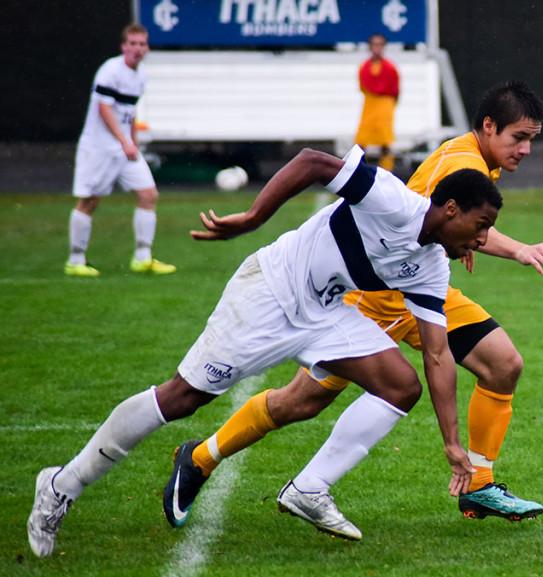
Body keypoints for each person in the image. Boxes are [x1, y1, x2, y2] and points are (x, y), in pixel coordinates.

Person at [27, 145, 503, 556]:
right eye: (481, 226)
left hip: (323, 313)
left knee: (401, 386)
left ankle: (310, 489)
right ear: (451, 208)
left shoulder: (431, 267)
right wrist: (253, 218)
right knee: (183, 398)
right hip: (270, 291)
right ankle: (61, 484)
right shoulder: (394, 202)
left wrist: (451, 443)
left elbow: (438, 355)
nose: (482, 240)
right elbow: (313, 162)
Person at [162, 81, 543, 532]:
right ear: (489, 127)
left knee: (503, 363)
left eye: (531, 140)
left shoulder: (477, 160)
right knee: (301, 401)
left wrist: (465, 243)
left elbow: (453, 224)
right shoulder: (463, 159)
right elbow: (438, 215)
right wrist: (518, 248)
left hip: (422, 292)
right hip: (377, 300)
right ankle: (199, 458)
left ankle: (478, 483)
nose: (525, 149)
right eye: (519, 138)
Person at [66, 23, 175, 277]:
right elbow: (104, 109)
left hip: (124, 148)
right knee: (89, 201)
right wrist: (123, 140)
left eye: (142, 44)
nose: (138, 49)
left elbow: (130, 110)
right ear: (124, 46)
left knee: (149, 194)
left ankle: (142, 258)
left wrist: (132, 140)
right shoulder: (110, 70)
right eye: (133, 44)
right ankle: (75, 260)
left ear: (147, 48)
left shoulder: (141, 75)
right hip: (99, 147)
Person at [354, 33, 400, 172]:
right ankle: (357, 171)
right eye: (374, 44)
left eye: (380, 44)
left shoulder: (390, 67)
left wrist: (388, 106)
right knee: (361, 142)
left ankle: (387, 172)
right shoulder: (364, 67)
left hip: (385, 106)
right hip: (369, 106)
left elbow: (395, 90)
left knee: (385, 143)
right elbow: (363, 87)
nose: (377, 48)